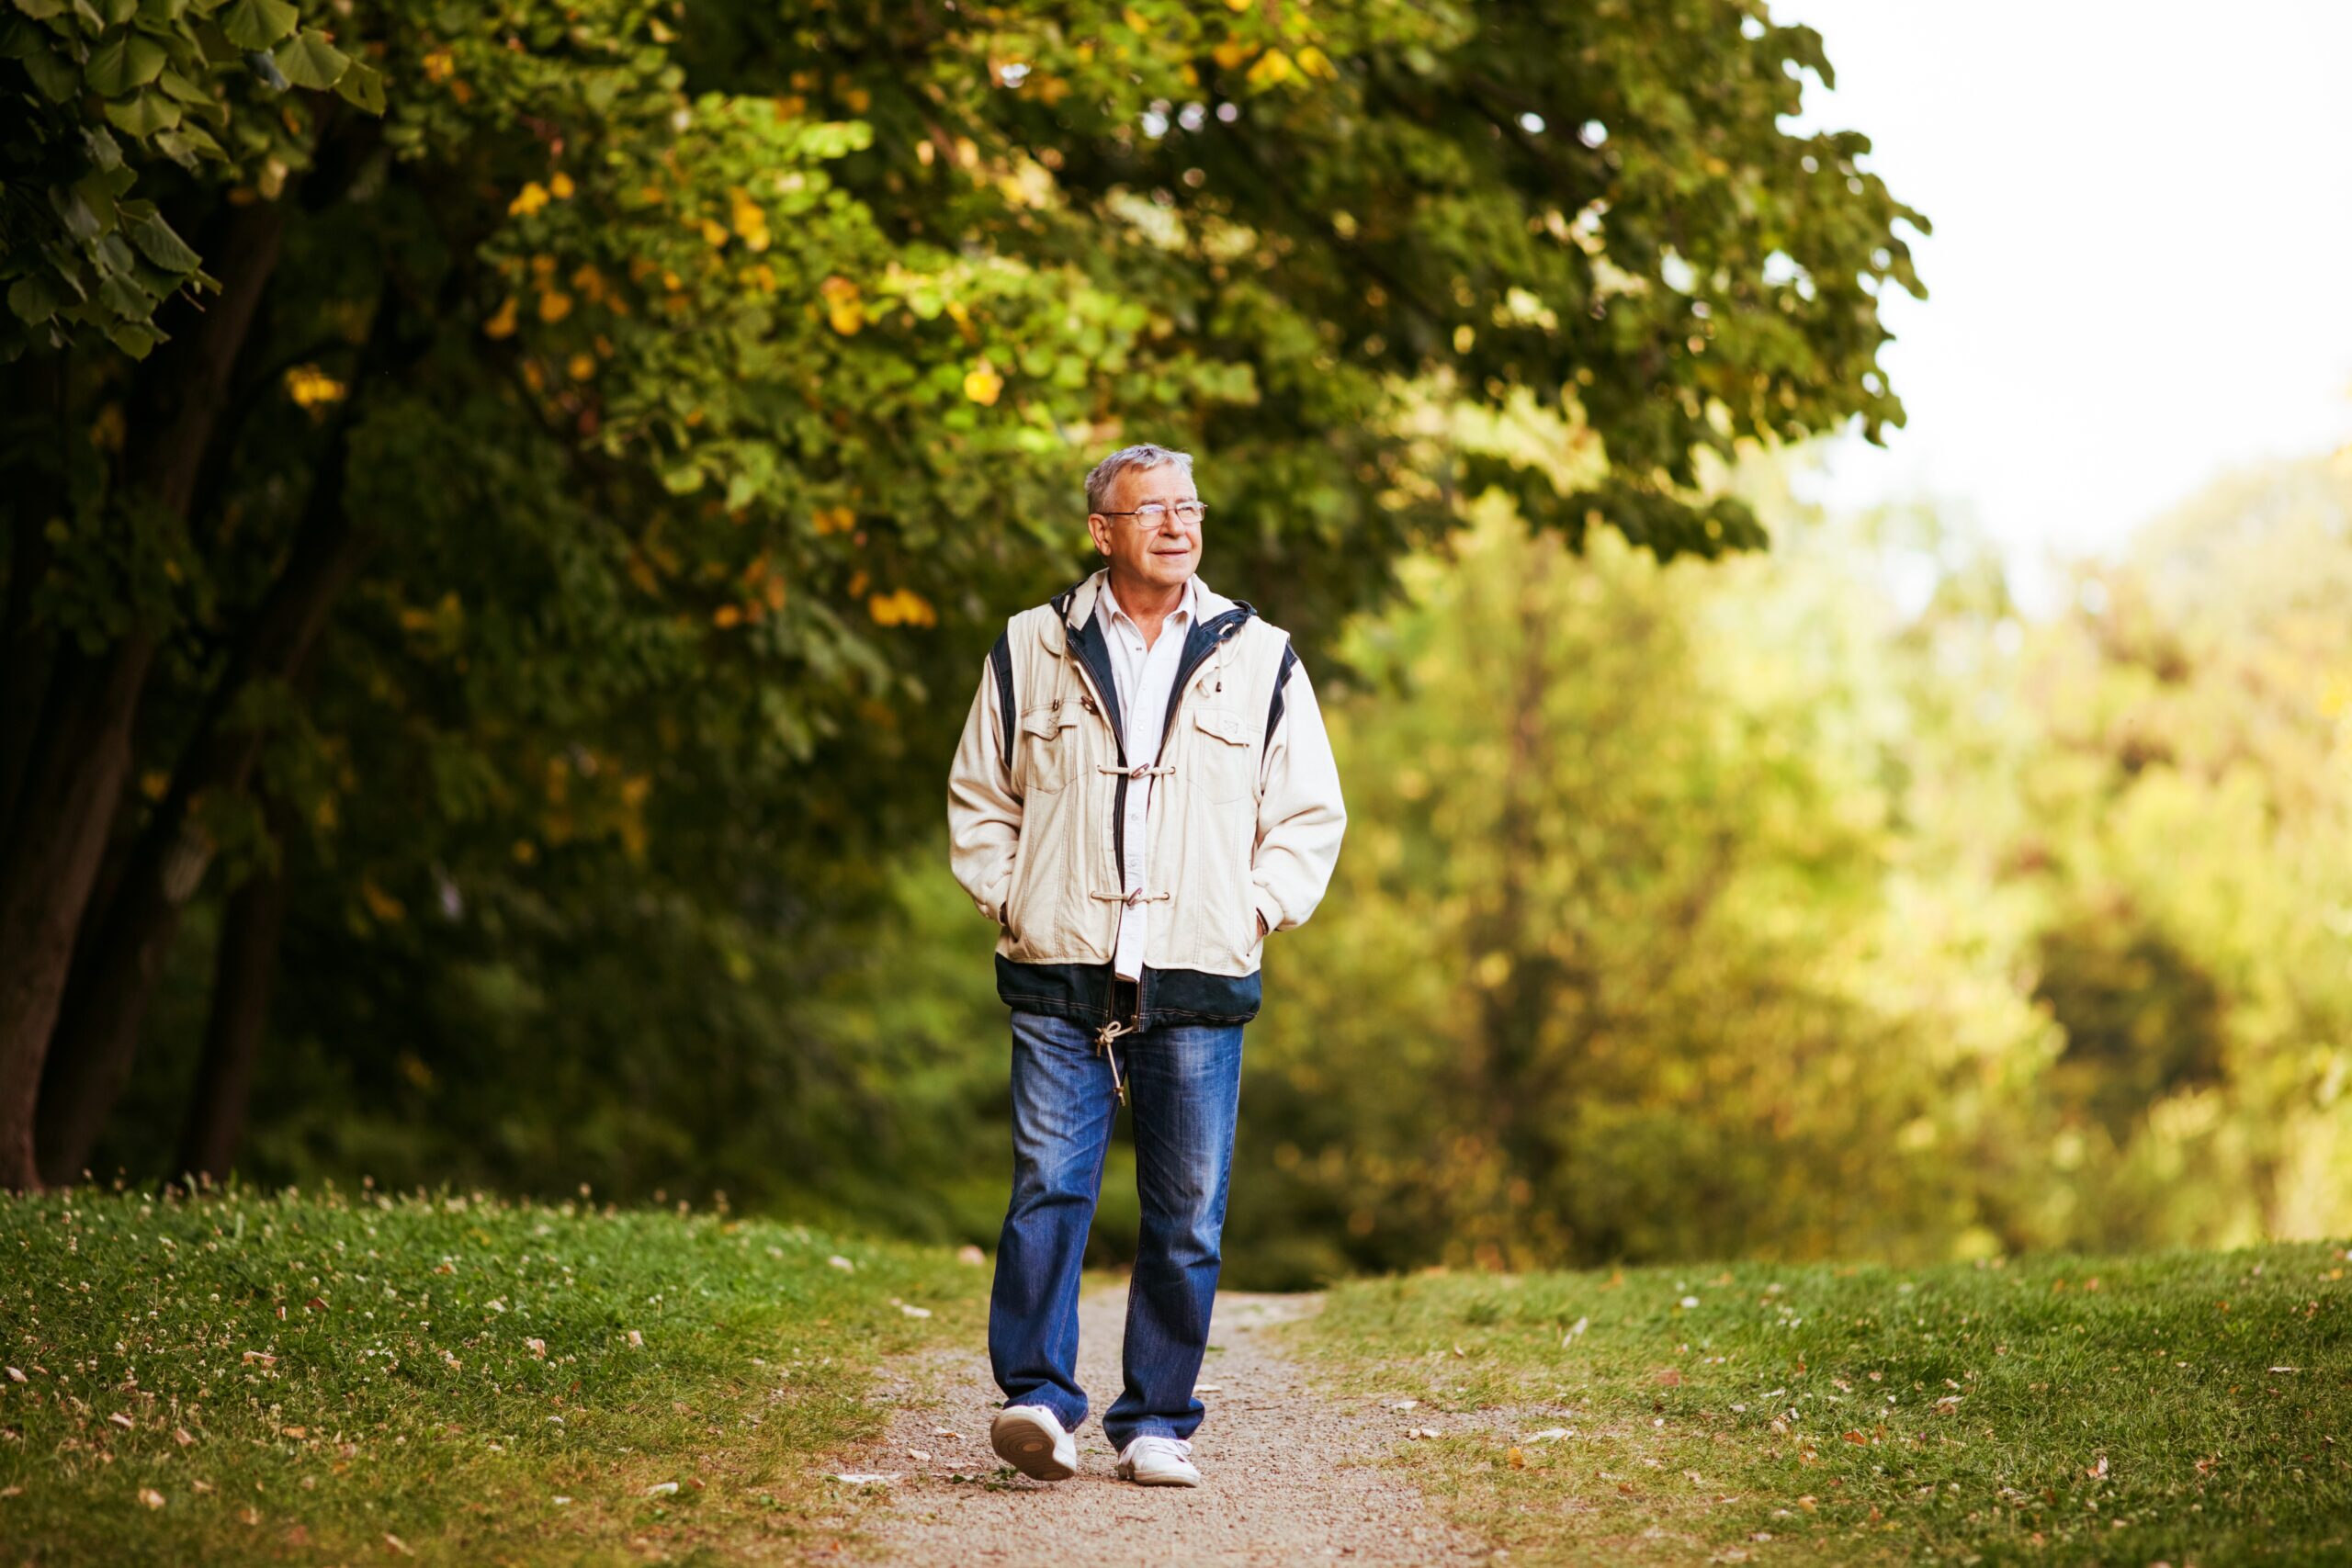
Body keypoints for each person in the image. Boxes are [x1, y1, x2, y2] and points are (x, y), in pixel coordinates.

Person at [945, 443, 1347, 1487]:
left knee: (1187, 1214)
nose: (1178, 525)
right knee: (1046, 1192)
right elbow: (980, 799)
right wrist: (1014, 898)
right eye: (1152, 509)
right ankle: (1037, 1401)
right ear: (1102, 531)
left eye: (1189, 507)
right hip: (1059, 968)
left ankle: (1158, 1419)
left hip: (1198, 975)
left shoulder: (1260, 654)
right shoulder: (1031, 646)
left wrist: (1250, 912)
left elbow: (1307, 813)